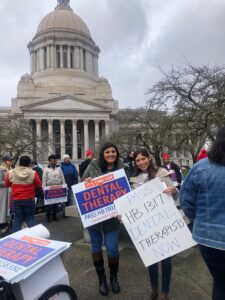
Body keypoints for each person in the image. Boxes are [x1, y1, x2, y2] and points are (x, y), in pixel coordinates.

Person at [180, 126, 225, 300]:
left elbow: (187, 203)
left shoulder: (201, 167)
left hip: (208, 238)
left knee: (220, 283)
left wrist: (200, 220)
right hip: (209, 236)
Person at [82, 143, 129, 296]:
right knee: (95, 247)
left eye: (113, 152)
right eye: (107, 152)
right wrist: (86, 182)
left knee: (113, 248)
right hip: (94, 218)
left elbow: (127, 191)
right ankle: (101, 279)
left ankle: (113, 278)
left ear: (117, 153)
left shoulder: (123, 168)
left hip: (112, 218)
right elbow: (82, 185)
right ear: (103, 153)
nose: (110, 154)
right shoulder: (93, 165)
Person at [132, 149, 178, 300]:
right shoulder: (134, 178)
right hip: (146, 224)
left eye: (143, 159)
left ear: (149, 158)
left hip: (163, 221)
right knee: (150, 258)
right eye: (138, 160)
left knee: (166, 259)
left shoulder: (162, 172)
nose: (141, 163)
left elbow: (174, 193)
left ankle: (165, 291)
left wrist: (174, 190)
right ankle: (154, 289)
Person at [5, 155, 41, 232]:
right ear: (29, 163)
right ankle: (32, 238)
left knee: (17, 219)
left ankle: (16, 238)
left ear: (19, 163)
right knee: (30, 218)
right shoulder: (33, 173)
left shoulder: (11, 172)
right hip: (29, 199)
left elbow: (7, 184)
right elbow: (38, 185)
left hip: (16, 199)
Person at [42, 154, 66, 222]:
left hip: (57, 188)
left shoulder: (59, 168)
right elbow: (44, 179)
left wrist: (64, 186)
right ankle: (48, 216)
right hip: (49, 189)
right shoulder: (46, 169)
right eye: (52, 161)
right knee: (49, 204)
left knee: (56, 203)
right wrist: (43, 188)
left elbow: (62, 178)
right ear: (49, 161)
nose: (54, 162)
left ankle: (54, 215)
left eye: (55, 161)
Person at [0, 155, 13, 236]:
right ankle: (2, 224)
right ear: (5, 161)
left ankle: (7, 223)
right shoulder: (1, 169)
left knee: (9, 208)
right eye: (9, 160)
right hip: (3, 191)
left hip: (10, 191)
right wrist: (8, 183)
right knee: (3, 208)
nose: (11, 161)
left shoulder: (11, 169)